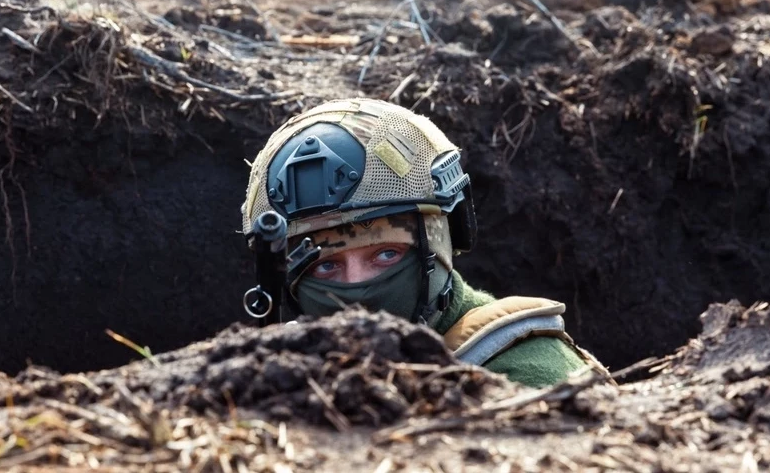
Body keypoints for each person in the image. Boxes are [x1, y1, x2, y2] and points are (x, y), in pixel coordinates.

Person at [241, 98, 607, 387]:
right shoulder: (284, 365)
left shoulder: (525, 372)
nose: (354, 292)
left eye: (385, 254)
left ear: (438, 246)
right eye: (326, 265)